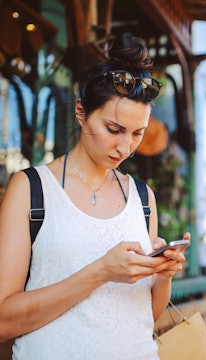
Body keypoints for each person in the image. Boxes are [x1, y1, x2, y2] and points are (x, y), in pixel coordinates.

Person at [0, 32, 190, 359]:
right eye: (114, 129)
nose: (125, 147)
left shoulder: (142, 198)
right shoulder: (31, 190)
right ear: (80, 112)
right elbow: (3, 320)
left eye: (137, 134)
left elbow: (145, 317)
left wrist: (162, 276)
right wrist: (101, 271)